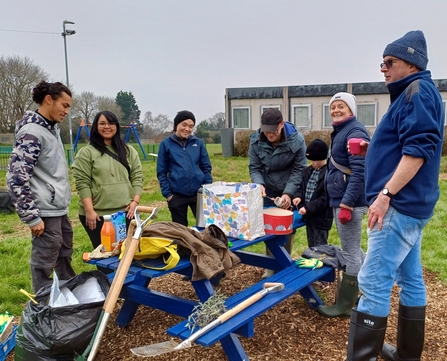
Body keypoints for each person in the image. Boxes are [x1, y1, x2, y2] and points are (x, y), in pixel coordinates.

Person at [346, 30, 444, 361]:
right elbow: (407, 143)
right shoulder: (416, 93)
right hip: (412, 206)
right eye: (382, 62)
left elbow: (417, 151)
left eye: (390, 62)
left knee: (373, 281)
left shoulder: (416, 92)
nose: (383, 69)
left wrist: (386, 193)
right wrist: (372, 149)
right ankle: (407, 355)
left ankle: (362, 356)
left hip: (398, 206)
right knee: (411, 277)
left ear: (411, 62)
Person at [6, 81, 76, 293]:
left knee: (64, 256)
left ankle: (68, 301)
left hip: (58, 210)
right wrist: (31, 217)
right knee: (43, 265)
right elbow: (16, 177)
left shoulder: (51, 129)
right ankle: (44, 309)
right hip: (44, 213)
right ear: (49, 100)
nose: (66, 111)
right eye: (64, 105)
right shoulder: (32, 133)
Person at [317, 92, 370, 318]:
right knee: (354, 248)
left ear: (351, 110)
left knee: (349, 252)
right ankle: (369, 287)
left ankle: (345, 306)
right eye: (333, 107)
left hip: (350, 202)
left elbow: (359, 172)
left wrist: (347, 204)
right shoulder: (342, 131)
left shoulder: (354, 132)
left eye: (341, 107)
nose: (336, 110)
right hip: (344, 199)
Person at [72, 110, 144, 267]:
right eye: (102, 123)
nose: (107, 127)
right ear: (96, 127)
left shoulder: (128, 151)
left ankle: (124, 291)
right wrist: (89, 210)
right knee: (106, 259)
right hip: (98, 216)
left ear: (117, 126)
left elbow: (137, 177)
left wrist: (135, 201)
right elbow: (82, 182)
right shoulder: (87, 153)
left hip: (126, 213)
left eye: (111, 123)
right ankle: (107, 289)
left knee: (128, 257)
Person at [248, 108, 307, 279]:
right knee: (268, 227)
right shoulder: (255, 140)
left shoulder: (297, 139)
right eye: (265, 131)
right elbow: (255, 167)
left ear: (281, 124)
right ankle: (270, 268)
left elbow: (299, 170)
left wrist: (289, 193)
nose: (269, 135)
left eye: (272, 131)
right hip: (269, 190)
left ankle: (284, 265)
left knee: (286, 228)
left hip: (290, 187)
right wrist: (259, 184)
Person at [157, 110, 212, 226]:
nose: (187, 129)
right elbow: (161, 172)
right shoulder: (165, 144)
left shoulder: (198, 143)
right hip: (176, 196)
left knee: (207, 227)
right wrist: (168, 195)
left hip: (198, 193)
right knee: (181, 233)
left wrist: (206, 189)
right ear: (176, 125)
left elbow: (206, 167)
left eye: (191, 126)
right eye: (184, 125)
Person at [292, 138, 333, 248]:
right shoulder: (307, 171)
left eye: (314, 160)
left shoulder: (329, 174)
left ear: (322, 158)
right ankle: (312, 262)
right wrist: (298, 197)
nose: (312, 163)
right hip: (309, 216)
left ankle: (322, 263)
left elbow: (325, 198)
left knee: (320, 247)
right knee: (311, 246)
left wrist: (308, 208)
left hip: (321, 218)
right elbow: (302, 188)